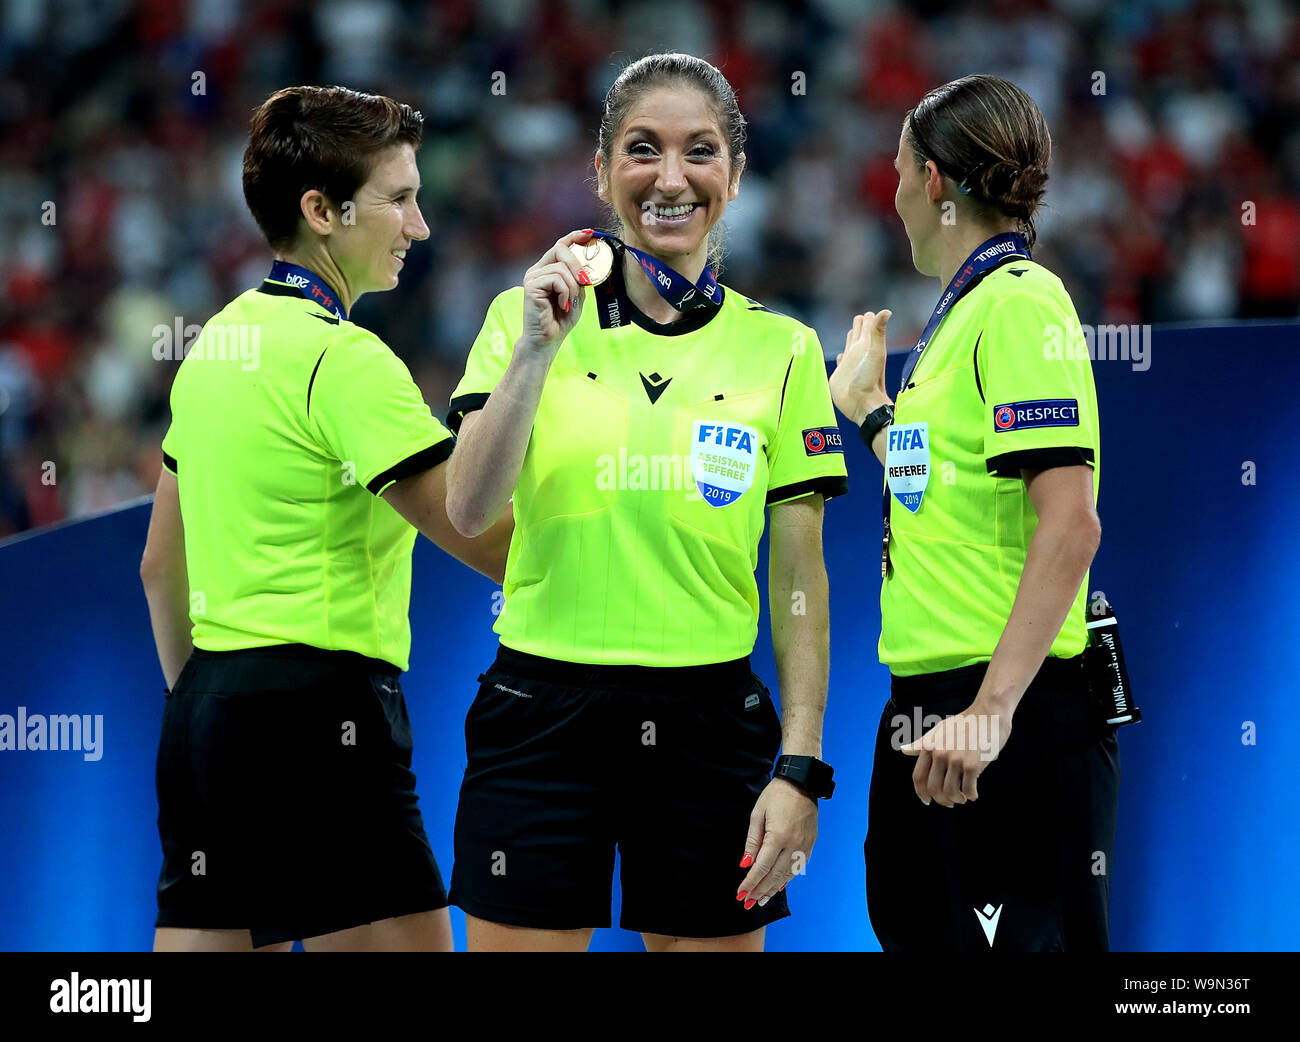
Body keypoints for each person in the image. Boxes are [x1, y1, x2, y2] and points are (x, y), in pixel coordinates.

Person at [442, 53, 848, 952]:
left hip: (712, 730)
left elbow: (799, 579)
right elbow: (468, 508)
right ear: (601, 172)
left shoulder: (781, 350)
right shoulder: (526, 321)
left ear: (735, 179)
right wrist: (535, 353)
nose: (671, 178)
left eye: (700, 152)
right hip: (540, 714)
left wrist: (801, 765)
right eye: (642, 150)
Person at [139, 85, 513, 953]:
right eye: (400, 198)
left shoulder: (215, 347)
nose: (419, 225)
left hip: (202, 717)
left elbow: (161, 565)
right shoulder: (346, 359)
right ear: (322, 211)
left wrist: (218, 704)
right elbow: (476, 534)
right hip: (323, 718)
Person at [829, 74, 1120, 951]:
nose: (889, 194)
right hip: (928, 712)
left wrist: (992, 712)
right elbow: (951, 494)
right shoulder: (958, 320)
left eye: (895, 170)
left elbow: (1071, 525)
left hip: (1008, 715)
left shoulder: (1021, 302)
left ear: (931, 182)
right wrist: (874, 414)